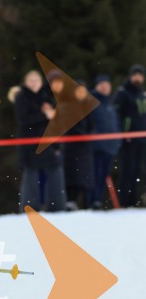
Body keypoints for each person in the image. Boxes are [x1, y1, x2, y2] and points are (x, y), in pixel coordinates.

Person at [10, 69, 66, 212]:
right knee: (31, 176)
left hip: (48, 142)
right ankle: (29, 207)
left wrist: (57, 145)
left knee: (54, 172)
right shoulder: (22, 97)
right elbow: (23, 120)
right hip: (29, 144)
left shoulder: (46, 96)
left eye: (37, 80)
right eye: (31, 80)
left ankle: (57, 205)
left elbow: (54, 121)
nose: (34, 83)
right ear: (25, 82)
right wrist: (44, 115)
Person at [113, 64, 146, 207]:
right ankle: (125, 202)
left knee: (138, 170)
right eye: (135, 74)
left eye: (140, 75)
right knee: (127, 170)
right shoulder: (122, 93)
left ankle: (134, 202)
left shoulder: (141, 94)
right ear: (130, 76)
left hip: (141, 139)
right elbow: (117, 116)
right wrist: (123, 132)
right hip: (128, 139)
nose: (137, 77)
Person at [61, 79, 95, 210]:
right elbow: (69, 125)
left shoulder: (87, 106)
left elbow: (92, 125)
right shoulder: (67, 105)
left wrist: (88, 135)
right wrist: (83, 136)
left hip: (85, 147)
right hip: (72, 146)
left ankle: (87, 203)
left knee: (85, 177)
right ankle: (71, 201)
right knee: (73, 175)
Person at [90, 74, 122, 209]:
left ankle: (98, 201)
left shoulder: (111, 104)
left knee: (104, 175)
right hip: (96, 146)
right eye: (101, 85)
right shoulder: (91, 102)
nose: (104, 87)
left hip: (110, 147)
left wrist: (118, 140)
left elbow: (116, 124)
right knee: (94, 174)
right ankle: (93, 201)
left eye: (107, 85)